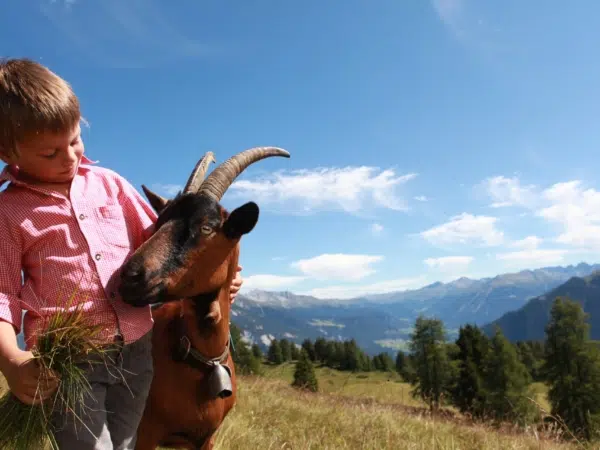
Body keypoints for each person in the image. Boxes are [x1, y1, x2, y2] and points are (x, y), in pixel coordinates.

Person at [0, 58, 243, 449]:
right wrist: (11, 360)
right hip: (70, 365)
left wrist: (216, 275)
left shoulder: (110, 185)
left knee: (128, 442)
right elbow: (2, 296)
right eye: (50, 153)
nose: (70, 157)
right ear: (7, 151)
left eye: (76, 140)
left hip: (137, 353)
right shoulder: (9, 213)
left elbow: (164, 244)